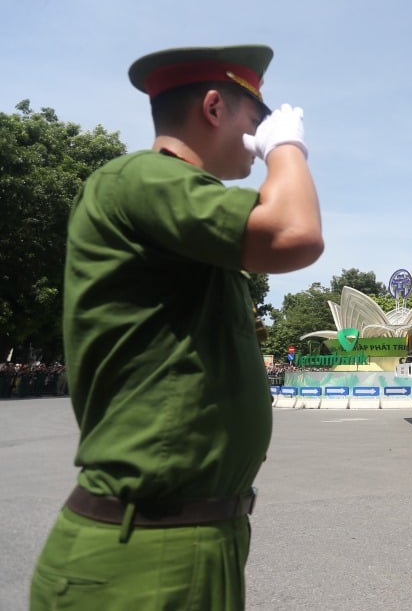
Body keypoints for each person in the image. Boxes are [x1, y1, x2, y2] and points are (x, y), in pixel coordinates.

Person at [30, 44, 324, 610]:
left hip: (187, 538)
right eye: (254, 117)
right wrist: (285, 146)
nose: (259, 130)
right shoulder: (140, 178)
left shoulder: (182, 216)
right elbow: (294, 231)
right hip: (144, 554)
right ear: (214, 108)